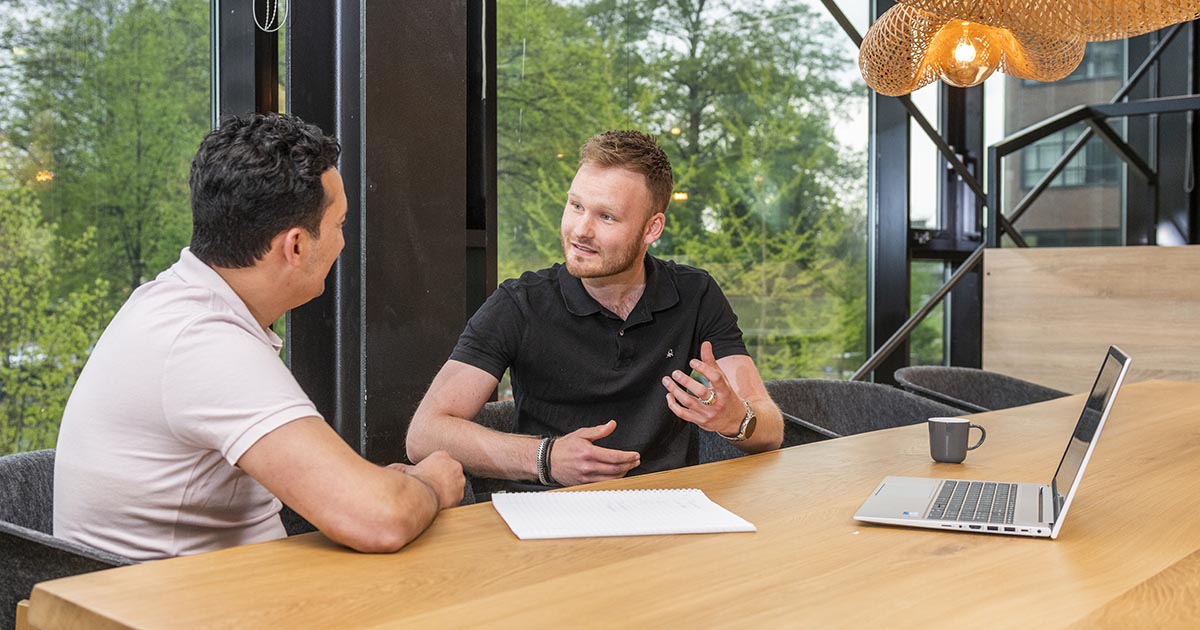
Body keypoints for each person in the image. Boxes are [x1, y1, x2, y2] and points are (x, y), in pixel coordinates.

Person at [54, 113, 463, 561]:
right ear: (296, 246)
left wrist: (387, 491)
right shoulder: (203, 343)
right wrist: (430, 484)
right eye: (340, 224)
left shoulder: (164, 305)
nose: (343, 243)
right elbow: (377, 518)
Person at [406, 130, 783, 490]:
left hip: (668, 514)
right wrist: (546, 457)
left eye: (606, 217)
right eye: (576, 206)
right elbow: (425, 433)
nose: (580, 230)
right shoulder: (519, 303)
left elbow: (769, 428)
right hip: (548, 515)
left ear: (652, 229)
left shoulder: (696, 294)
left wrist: (737, 419)